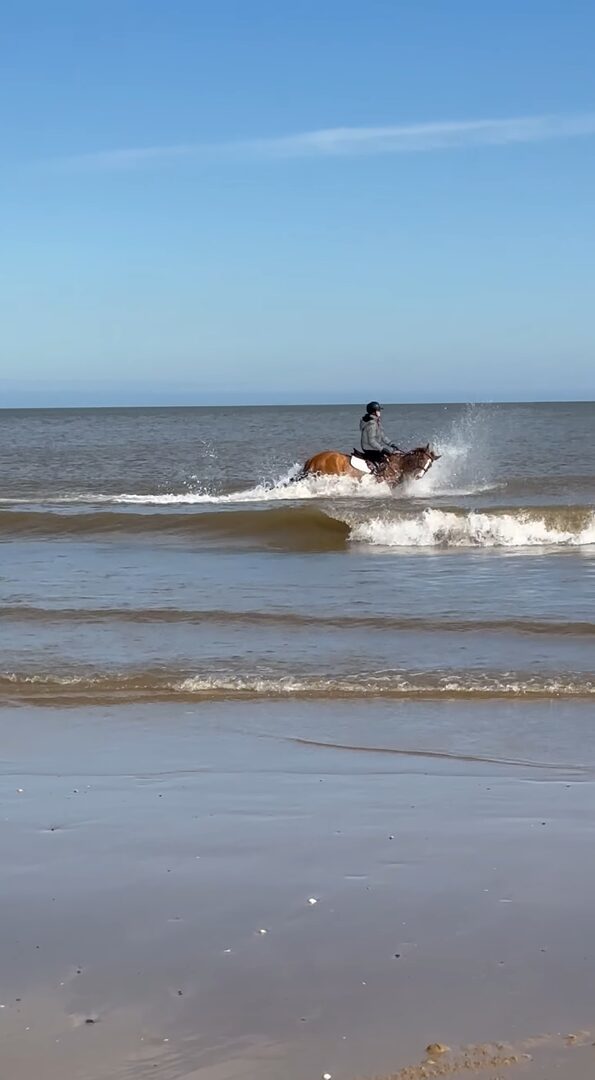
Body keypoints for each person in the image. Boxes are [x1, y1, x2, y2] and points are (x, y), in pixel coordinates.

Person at [359, 401, 400, 470]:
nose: (380, 412)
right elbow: (371, 441)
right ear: (374, 412)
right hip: (369, 448)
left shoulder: (376, 421)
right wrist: (382, 449)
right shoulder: (371, 424)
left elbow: (382, 436)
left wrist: (391, 444)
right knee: (385, 462)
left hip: (373, 448)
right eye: (378, 410)